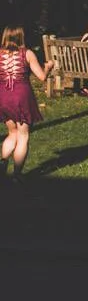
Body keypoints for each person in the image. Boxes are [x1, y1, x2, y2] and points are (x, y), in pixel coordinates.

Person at [0, 26, 55, 184]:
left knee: (12, 133)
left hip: (3, 96)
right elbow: (42, 77)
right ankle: (17, 175)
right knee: (23, 136)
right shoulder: (27, 53)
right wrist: (49, 67)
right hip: (21, 97)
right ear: (21, 37)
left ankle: (3, 163)